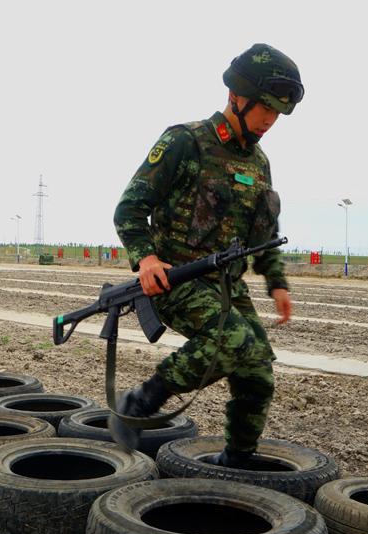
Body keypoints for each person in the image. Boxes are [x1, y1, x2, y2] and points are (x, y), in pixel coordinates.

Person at [110, 44, 303, 467]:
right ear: (237, 97)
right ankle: (142, 400)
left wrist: (277, 284)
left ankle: (236, 459)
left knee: (258, 372)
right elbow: (129, 208)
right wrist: (146, 259)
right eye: (265, 109)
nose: (270, 120)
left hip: (227, 286)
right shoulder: (185, 141)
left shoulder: (259, 164)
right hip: (176, 280)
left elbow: (264, 237)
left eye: (277, 113)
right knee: (232, 340)